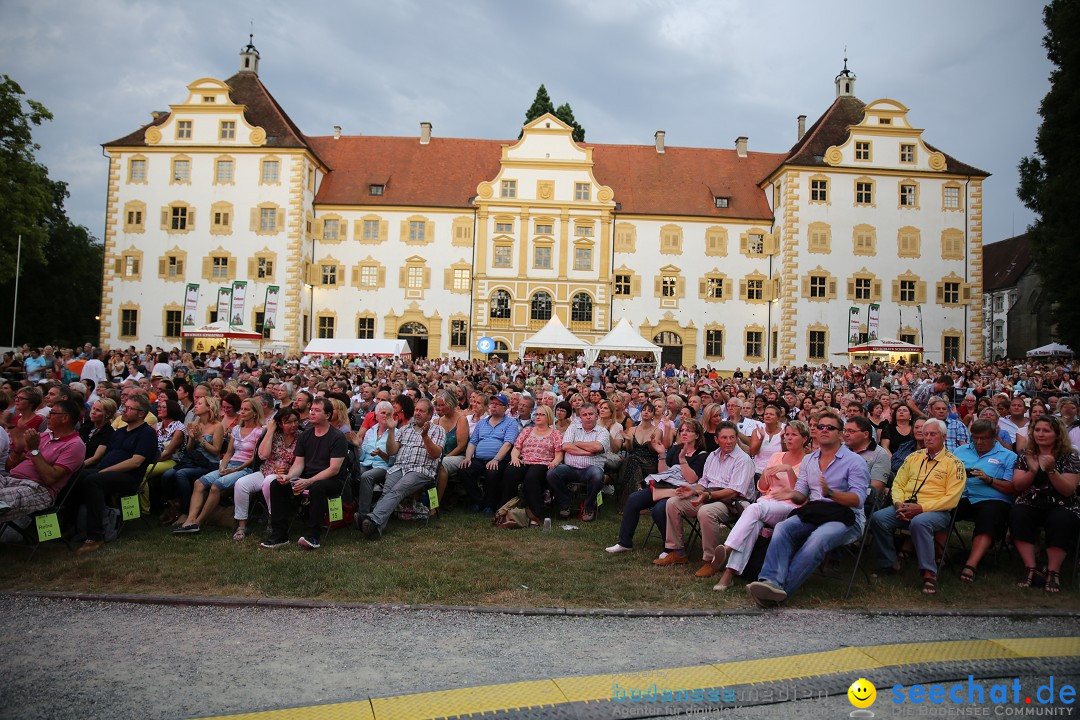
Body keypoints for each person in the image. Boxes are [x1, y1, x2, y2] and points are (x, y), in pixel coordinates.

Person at [746, 410, 869, 607]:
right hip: (817, 512)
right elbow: (802, 495)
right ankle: (770, 581)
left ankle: (780, 591)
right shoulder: (810, 461)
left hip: (846, 518)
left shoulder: (855, 462)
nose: (824, 430)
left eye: (830, 427)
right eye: (821, 427)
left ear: (840, 433)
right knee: (783, 528)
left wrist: (831, 494)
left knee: (818, 538)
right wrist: (790, 493)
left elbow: (858, 500)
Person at [869, 418, 965, 595]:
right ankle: (889, 563)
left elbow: (951, 499)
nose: (928, 438)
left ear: (943, 437)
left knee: (919, 522)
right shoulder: (913, 457)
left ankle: (929, 574)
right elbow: (898, 483)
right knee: (878, 518)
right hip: (906, 506)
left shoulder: (954, 463)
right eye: (925, 434)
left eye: (933, 434)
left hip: (936, 512)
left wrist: (921, 508)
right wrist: (898, 504)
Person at [712, 421, 811, 592]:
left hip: (791, 506)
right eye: (786, 434)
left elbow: (801, 495)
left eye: (793, 435)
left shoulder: (809, 461)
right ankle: (728, 575)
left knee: (754, 509)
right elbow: (763, 488)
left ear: (805, 439)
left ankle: (728, 547)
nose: (788, 438)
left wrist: (788, 470)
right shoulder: (776, 456)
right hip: (768, 502)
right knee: (754, 524)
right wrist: (766, 474)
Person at [655, 421, 756, 573]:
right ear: (716, 440)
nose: (728, 442)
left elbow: (734, 491)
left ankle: (712, 560)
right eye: (724, 438)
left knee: (705, 511)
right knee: (673, 502)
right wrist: (693, 490)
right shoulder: (713, 456)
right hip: (709, 496)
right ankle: (677, 552)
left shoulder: (743, 459)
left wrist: (706, 494)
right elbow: (703, 482)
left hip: (731, 503)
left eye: (732, 438)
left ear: (737, 439)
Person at [605, 418, 707, 554]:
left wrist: (683, 460)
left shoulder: (702, 455)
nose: (684, 433)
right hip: (665, 487)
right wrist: (661, 454)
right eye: (682, 430)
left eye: (689, 431)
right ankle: (625, 543)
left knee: (659, 509)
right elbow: (663, 472)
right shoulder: (676, 449)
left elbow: (692, 478)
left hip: (683, 492)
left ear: (697, 435)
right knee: (634, 499)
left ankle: (670, 548)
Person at [72, 393, 158, 554]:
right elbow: (104, 455)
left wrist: (105, 470)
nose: (124, 411)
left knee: (93, 481)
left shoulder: (147, 433)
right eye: (124, 407)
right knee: (75, 476)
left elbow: (136, 462)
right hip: (104, 470)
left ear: (141, 413)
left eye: (129, 408)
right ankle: (73, 526)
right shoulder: (118, 432)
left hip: (128, 477)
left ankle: (95, 536)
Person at [261, 397, 348, 549]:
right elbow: (299, 464)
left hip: (331, 480)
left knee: (317, 487)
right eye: (312, 410)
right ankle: (279, 535)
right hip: (307, 477)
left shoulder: (337, 437)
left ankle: (313, 536)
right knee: (277, 484)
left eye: (317, 410)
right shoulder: (306, 436)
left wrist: (309, 481)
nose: (312, 413)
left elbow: (334, 469)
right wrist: (289, 476)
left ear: (327, 415)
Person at [1010, 416, 1080, 593]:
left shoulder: (1070, 456)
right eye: (1037, 430)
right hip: (1031, 501)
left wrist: (1051, 471)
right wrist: (1033, 471)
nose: (1040, 434)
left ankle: (1053, 570)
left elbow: (1068, 490)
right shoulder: (1026, 454)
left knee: (1062, 520)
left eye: (1046, 430)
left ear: (1057, 434)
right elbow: (1018, 486)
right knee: (1018, 514)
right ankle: (1030, 567)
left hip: (1061, 503)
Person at [359, 395, 445, 539]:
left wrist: (425, 437)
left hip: (420, 470)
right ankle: (375, 528)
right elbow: (392, 451)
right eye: (416, 410)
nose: (417, 413)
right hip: (399, 467)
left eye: (422, 411)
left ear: (430, 414)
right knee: (387, 491)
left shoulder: (437, 430)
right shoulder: (405, 429)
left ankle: (371, 519)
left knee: (397, 490)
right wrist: (392, 430)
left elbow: (436, 454)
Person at [174, 397, 264, 534]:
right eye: (242, 409)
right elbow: (228, 453)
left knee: (216, 486)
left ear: (255, 413)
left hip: (245, 468)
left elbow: (254, 458)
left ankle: (198, 522)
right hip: (230, 464)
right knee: (199, 483)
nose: (242, 412)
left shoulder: (259, 431)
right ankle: (190, 520)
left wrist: (235, 469)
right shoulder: (237, 430)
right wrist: (223, 467)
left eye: (247, 410)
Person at [952, 419, 1017, 583]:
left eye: (984, 438)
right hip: (963, 496)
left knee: (989, 515)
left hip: (992, 499)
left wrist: (989, 480)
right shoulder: (960, 451)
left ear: (994, 436)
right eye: (975, 438)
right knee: (942, 510)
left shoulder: (1008, 456)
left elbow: (1013, 488)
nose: (979, 442)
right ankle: (940, 556)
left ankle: (971, 564)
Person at [0, 399, 86, 521]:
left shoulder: (75, 445)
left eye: (52, 413)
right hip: (10, 480)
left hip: (37, 489)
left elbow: (50, 478)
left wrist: (35, 450)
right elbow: (9, 467)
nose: (47, 416)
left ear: (65, 418)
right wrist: (11, 428)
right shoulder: (44, 436)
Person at [232, 407, 299, 540]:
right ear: (279, 424)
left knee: (270, 482)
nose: (293, 425)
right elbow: (263, 455)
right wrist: (270, 430)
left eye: (295, 421)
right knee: (241, 484)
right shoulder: (273, 435)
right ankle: (242, 525)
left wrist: (288, 471)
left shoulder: (301, 437)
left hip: (288, 475)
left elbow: (300, 462)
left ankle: (272, 519)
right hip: (265, 471)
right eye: (288, 422)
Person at [160, 395, 225, 524]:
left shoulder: (217, 426)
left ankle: (186, 511)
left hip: (209, 463)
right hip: (193, 460)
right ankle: (170, 506)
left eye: (200, 404)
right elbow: (189, 450)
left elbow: (216, 451)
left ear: (209, 407)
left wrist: (200, 439)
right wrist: (190, 438)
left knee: (181, 474)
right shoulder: (195, 424)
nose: (196, 406)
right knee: (167, 475)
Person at [547, 402, 610, 522]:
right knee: (552, 473)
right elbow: (566, 447)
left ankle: (588, 506)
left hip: (591, 469)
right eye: (584, 415)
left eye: (591, 414)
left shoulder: (603, 432)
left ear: (596, 416)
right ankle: (566, 504)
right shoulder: (573, 428)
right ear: (580, 417)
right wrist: (587, 452)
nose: (588, 417)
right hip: (570, 468)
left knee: (597, 475)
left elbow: (596, 447)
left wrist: (576, 444)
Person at [460, 393, 520, 513]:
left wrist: (496, 459)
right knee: (464, 469)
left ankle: (490, 505)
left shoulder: (510, 423)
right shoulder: (482, 422)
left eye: (498, 404)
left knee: (492, 472)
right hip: (479, 458)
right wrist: (468, 458)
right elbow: (473, 442)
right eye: (493, 403)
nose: (494, 406)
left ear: (505, 408)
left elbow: (508, 444)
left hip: (499, 459)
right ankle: (477, 500)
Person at [504, 404, 563, 523]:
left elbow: (559, 452)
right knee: (510, 472)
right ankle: (507, 509)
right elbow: (516, 447)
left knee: (531, 477)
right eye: (536, 414)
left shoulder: (555, 433)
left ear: (549, 417)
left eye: (542, 414)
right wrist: (514, 457)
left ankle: (534, 514)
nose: (538, 416)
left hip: (543, 463)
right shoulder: (527, 430)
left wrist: (555, 462)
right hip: (524, 460)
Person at [354, 400, 394, 516]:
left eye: (388, 414)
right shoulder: (370, 432)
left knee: (366, 476)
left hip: (383, 467)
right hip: (367, 463)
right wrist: (358, 447)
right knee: (353, 472)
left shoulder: (395, 432)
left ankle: (363, 514)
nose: (385, 416)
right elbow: (362, 457)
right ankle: (350, 506)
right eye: (382, 413)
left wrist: (381, 453)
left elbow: (393, 461)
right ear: (376, 415)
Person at [843, 415, 892, 493]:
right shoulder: (840, 449)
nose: (846, 434)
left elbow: (874, 489)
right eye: (845, 431)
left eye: (851, 431)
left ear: (866, 434)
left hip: (862, 500)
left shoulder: (880, 454)